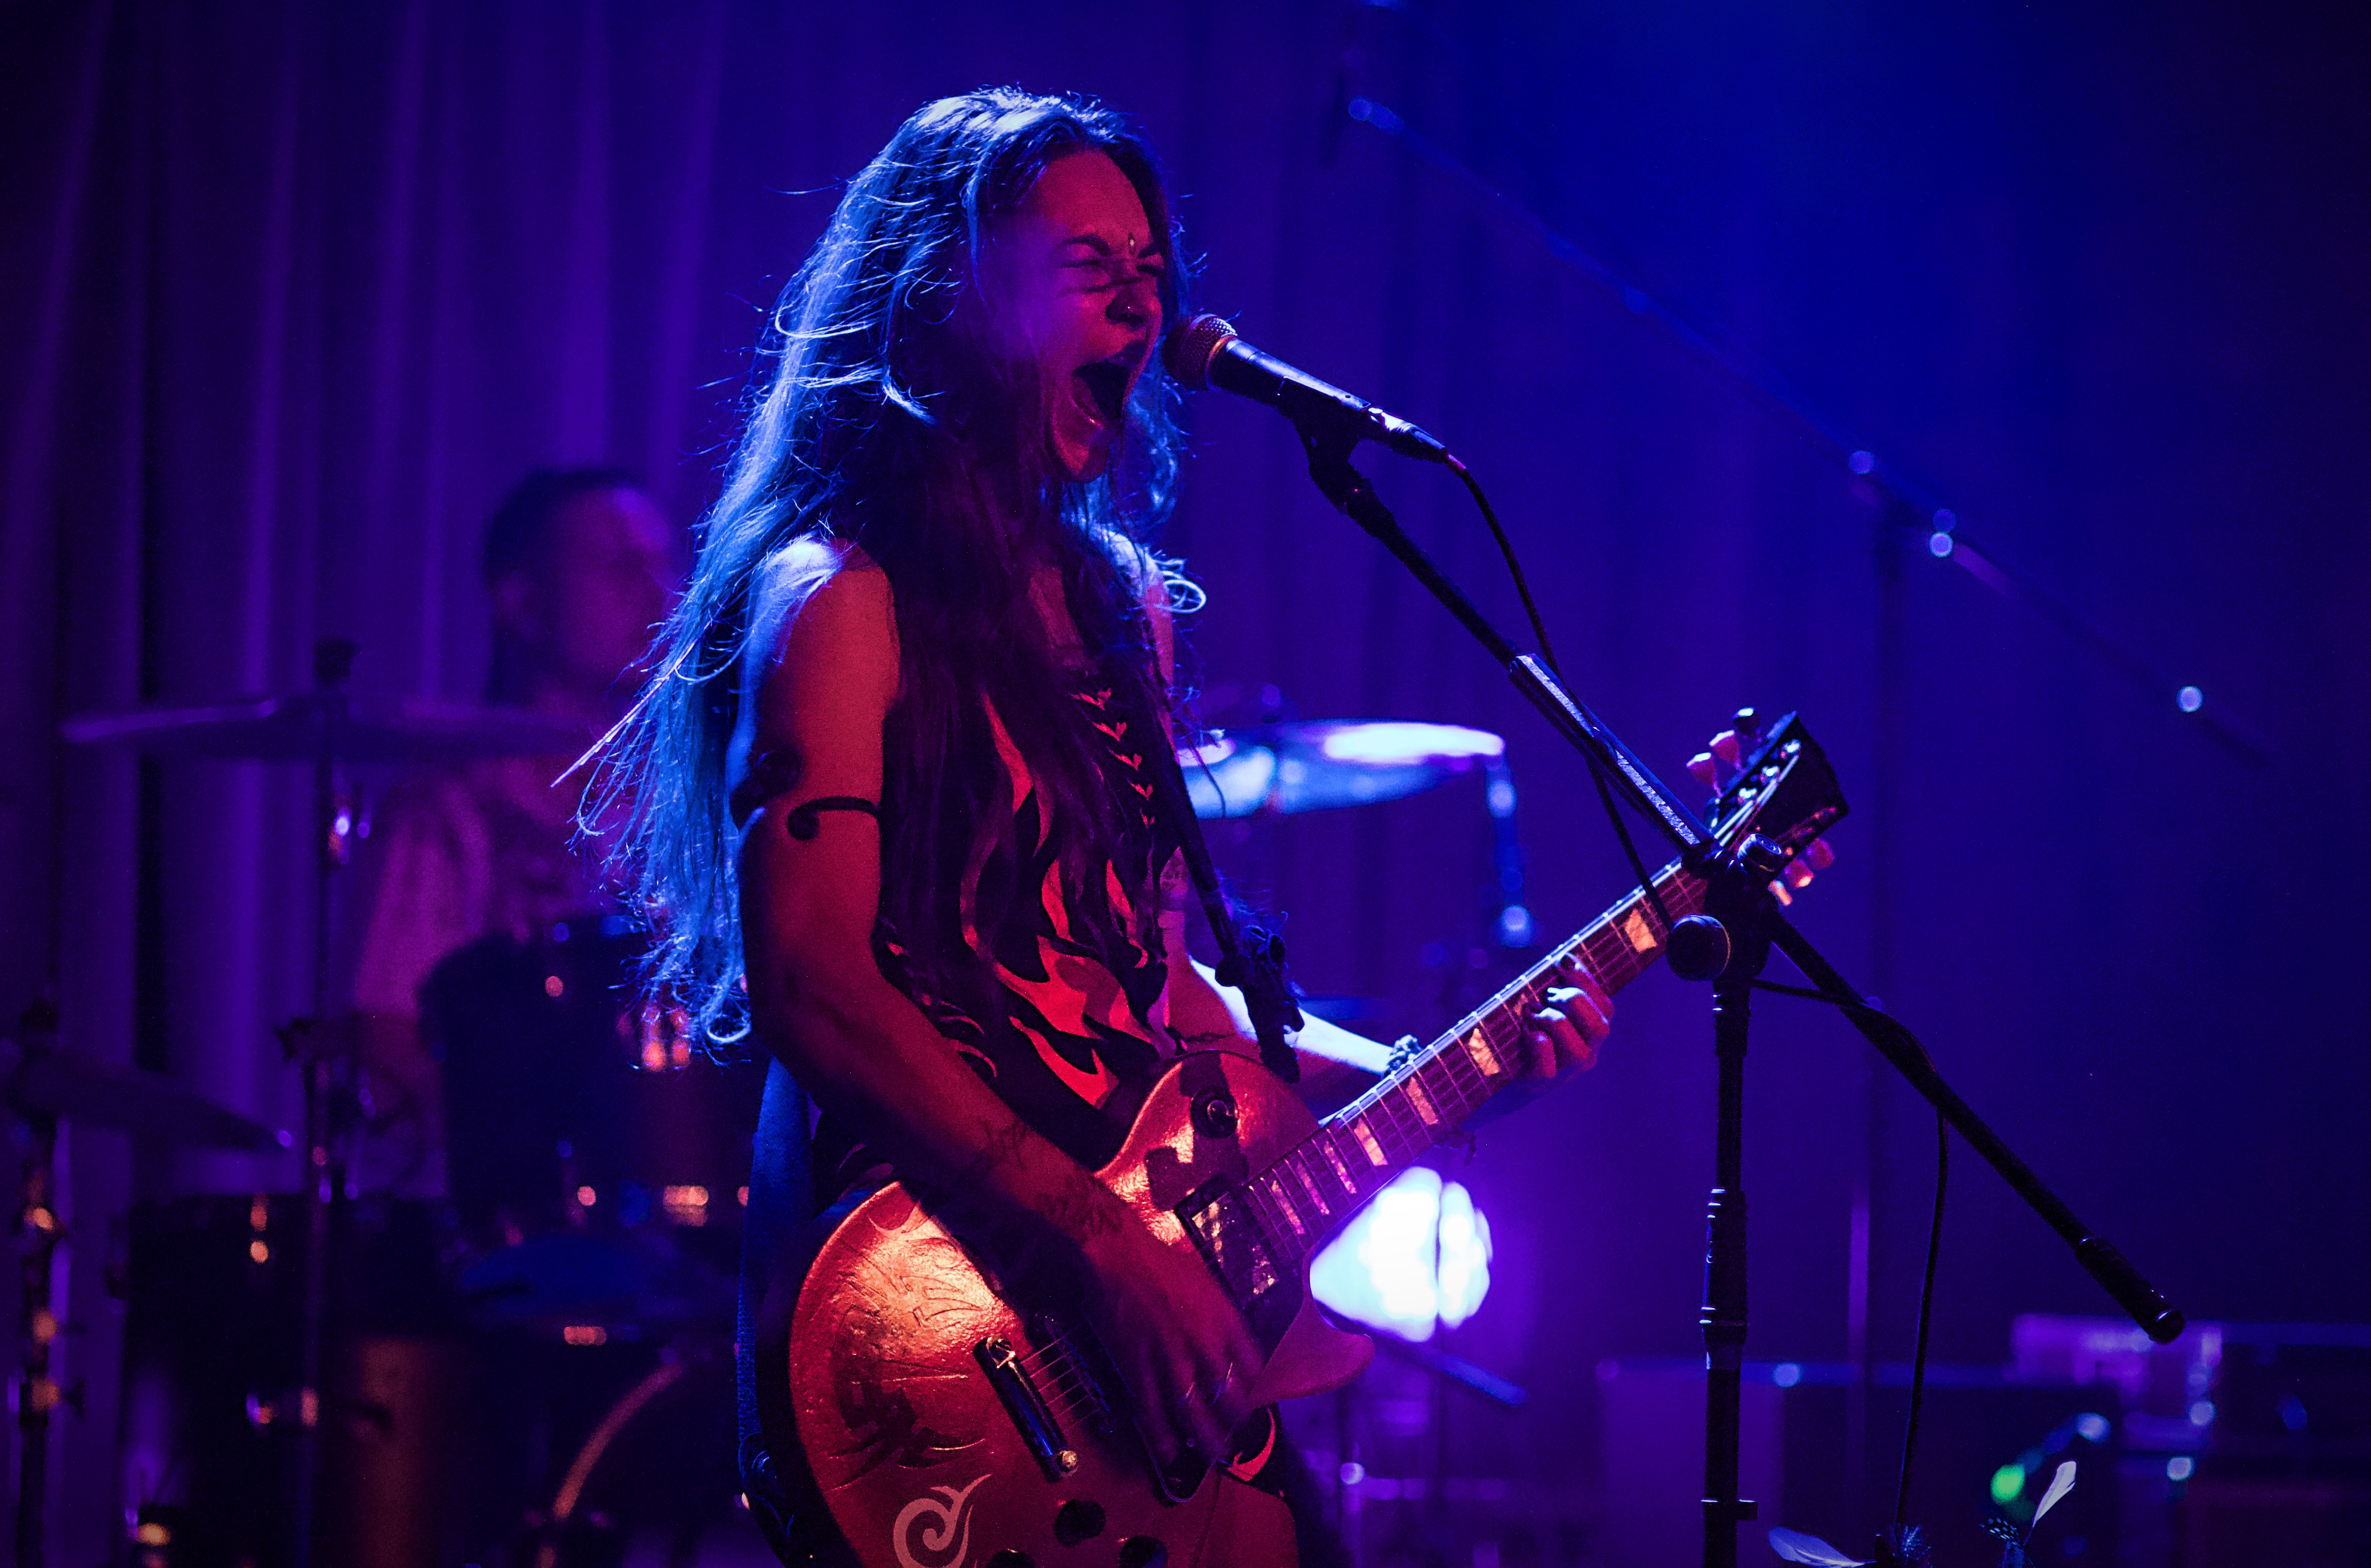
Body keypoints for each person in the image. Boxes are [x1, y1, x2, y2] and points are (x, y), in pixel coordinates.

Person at [598, 89, 1612, 1564]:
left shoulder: (1119, 606)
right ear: (946, 292)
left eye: (1150, 268)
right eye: (1090, 266)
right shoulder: (838, 599)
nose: (1144, 303)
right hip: (945, 1301)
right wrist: (1095, 1244)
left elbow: (1154, 989)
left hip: (1137, 1322)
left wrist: (1444, 1072)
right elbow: (814, 983)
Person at [351, 465, 676, 1197]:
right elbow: (388, 1039)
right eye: (620, 565)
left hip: (677, 1205)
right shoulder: (447, 806)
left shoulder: (690, 805)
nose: (660, 592)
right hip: (509, 1219)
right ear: (522, 601)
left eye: (664, 563)